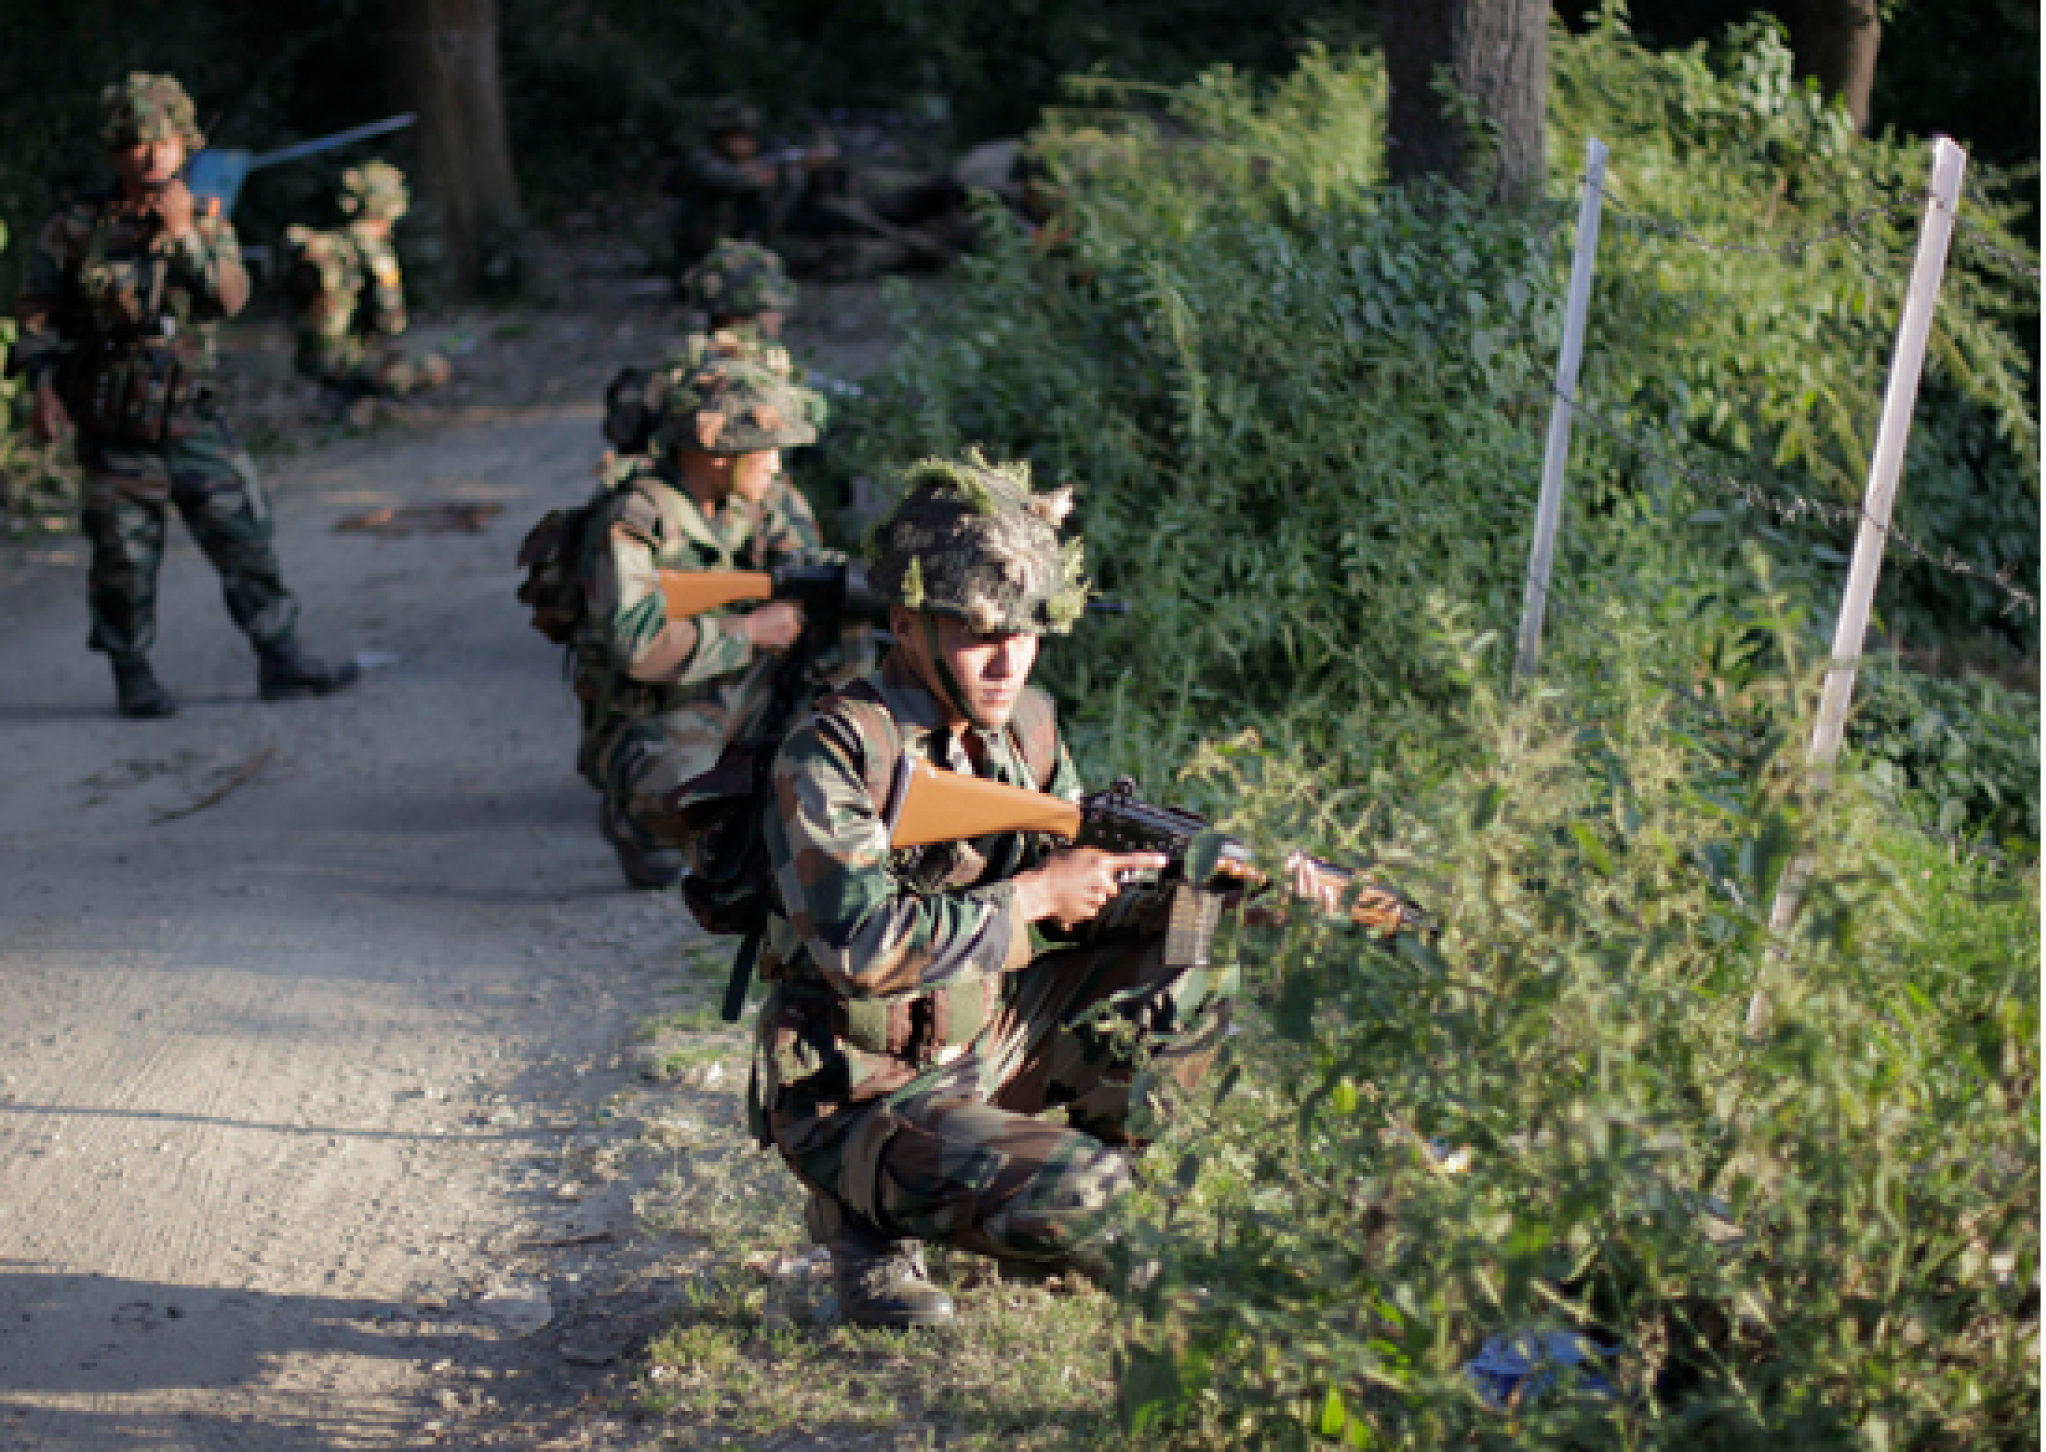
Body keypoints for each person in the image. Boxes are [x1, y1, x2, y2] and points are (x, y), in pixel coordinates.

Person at [750, 452, 1236, 1328]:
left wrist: (1181, 886)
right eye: (980, 632)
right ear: (907, 625)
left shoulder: (1029, 726)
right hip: (863, 1090)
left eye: (1028, 630)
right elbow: (857, 949)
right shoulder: (836, 751)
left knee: (1189, 953)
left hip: (988, 1038)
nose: (1009, 659)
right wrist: (1035, 898)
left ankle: (1033, 1189)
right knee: (1096, 1197)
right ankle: (865, 1223)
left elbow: (1082, 902)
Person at [11, 73, 357, 718]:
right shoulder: (75, 228)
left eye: (164, 142)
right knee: (123, 562)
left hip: (193, 419)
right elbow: (36, 314)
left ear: (184, 145)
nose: (151, 155)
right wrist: (43, 389)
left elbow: (228, 298)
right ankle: (132, 672)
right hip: (112, 427)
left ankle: (280, 657)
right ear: (115, 150)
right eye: (136, 143)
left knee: (245, 539)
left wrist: (183, 238)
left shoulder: (203, 220)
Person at [576, 357, 830, 889]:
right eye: (765, 450)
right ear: (717, 453)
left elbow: (811, 565)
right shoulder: (635, 519)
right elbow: (636, 643)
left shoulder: (766, 502)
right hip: (664, 709)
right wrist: (750, 632)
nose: (776, 465)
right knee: (682, 790)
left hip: (751, 693)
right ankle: (640, 824)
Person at [604, 240, 823, 457]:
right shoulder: (750, 371)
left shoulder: (678, 364)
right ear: (750, 310)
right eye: (773, 309)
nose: (780, 317)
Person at [283, 161, 449, 407]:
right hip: (346, 362)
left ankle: (340, 393)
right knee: (434, 366)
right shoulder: (374, 251)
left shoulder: (329, 242)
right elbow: (391, 322)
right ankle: (359, 397)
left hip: (310, 359)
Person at [667, 98, 837, 269]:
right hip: (700, 255)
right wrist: (766, 175)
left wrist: (794, 172)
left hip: (741, 248)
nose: (744, 143)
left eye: (748, 137)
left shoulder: (753, 163)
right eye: (737, 136)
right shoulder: (702, 161)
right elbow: (731, 178)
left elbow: (771, 207)